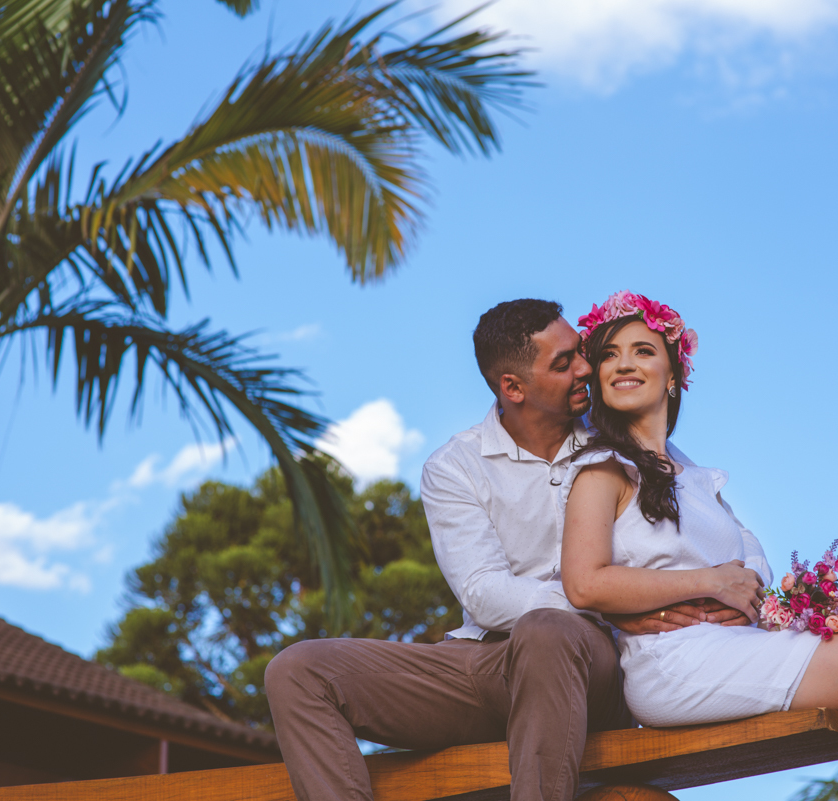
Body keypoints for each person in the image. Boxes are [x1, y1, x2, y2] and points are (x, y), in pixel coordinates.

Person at [264, 298, 747, 801]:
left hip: (589, 664)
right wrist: (609, 604)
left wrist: (721, 589)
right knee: (297, 670)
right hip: (487, 662)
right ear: (512, 387)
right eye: (563, 364)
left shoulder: (618, 443)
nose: (586, 368)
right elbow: (483, 592)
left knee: (548, 631)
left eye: (579, 352)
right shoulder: (455, 465)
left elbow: (716, 517)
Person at [558, 291, 838, 801]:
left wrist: (745, 601)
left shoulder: (697, 479)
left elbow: (752, 566)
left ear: (674, 375)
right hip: (671, 661)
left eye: (642, 350)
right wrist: (709, 583)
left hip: (727, 643)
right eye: (609, 355)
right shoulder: (603, 470)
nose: (623, 364)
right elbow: (584, 583)